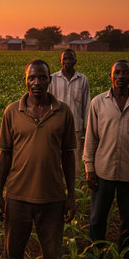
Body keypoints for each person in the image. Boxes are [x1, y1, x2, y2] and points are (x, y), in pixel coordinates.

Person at [0, 59, 76, 259]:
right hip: (17, 196)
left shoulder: (63, 112)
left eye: (42, 77)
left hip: (52, 197)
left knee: (52, 256)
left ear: (50, 80)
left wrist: (71, 195)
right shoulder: (11, 111)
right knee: (12, 254)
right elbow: (4, 155)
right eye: (32, 78)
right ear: (25, 80)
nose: (37, 82)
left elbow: (68, 155)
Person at [83, 60, 129, 259]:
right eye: (117, 72)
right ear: (111, 76)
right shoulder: (98, 103)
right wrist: (89, 169)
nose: (121, 76)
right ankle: (94, 257)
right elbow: (91, 138)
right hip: (103, 171)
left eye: (125, 72)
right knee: (97, 218)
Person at [48, 49, 90, 178]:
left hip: (76, 128)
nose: (67, 61)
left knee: (75, 163)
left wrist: (86, 128)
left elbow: (86, 105)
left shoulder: (82, 80)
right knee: (54, 160)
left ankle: (74, 190)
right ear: (60, 61)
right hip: (55, 126)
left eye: (70, 58)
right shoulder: (52, 79)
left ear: (75, 61)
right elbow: (47, 102)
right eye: (64, 59)